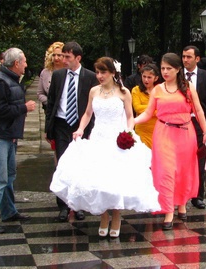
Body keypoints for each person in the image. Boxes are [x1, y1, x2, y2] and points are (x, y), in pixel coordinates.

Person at [50, 57, 160, 237]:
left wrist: (128, 133)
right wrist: (80, 129)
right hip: (98, 138)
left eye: (103, 72)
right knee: (99, 180)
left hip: (117, 140)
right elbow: (87, 114)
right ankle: (103, 216)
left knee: (115, 181)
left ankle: (116, 216)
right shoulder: (94, 91)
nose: (100, 76)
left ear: (112, 73)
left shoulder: (124, 92)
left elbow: (130, 117)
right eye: (98, 72)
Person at [135, 53, 206, 230]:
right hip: (163, 133)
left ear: (178, 69)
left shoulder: (188, 87)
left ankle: (182, 203)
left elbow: (199, 111)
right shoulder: (157, 90)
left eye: (169, 68)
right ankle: (168, 210)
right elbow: (147, 114)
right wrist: (132, 121)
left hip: (185, 134)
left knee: (183, 172)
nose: (165, 72)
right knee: (166, 172)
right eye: (163, 68)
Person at [0, 48, 37, 233]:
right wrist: (23, 108)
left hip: (6, 135)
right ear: (16, 63)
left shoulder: (8, 79)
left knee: (9, 176)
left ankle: (9, 211)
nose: (26, 65)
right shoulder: (0, 81)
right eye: (24, 61)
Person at [45, 41, 99, 222]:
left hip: (80, 127)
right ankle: (62, 206)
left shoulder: (90, 77)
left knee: (80, 167)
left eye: (67, 56)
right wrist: (48, 129)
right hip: (61, 125)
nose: (63, 59)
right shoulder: (58, 75)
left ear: (78, 58)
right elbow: (51, 102)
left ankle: (78, 206)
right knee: (62, 165)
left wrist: (89, 129)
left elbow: (93, 107)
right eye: (62, 56)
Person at [182, 45, 206, 210]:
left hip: (199, 124)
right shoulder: (176, 76)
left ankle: (198, 196)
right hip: (180, 124)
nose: (185, 60)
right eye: (183, 57)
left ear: (197, 59)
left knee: (199, 160)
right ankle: (180, 195)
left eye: (189, 57)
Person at [131, 63, 160, 148]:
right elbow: (137, 108)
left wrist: (150, 110)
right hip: (141, 131)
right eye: (144, 76)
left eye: (149, 77)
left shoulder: (160, 91)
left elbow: (163, 109)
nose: (146, 80)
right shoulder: (136, 90)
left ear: (156, 78)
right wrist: (155, 108)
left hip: (157, 130)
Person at [37, 42, 65, 112]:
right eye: (53, 55)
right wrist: (49, 103)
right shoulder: (45, 72)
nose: (56, 58)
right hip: (50, 110)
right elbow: (40, 93)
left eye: (59, 55)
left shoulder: (69, 71)